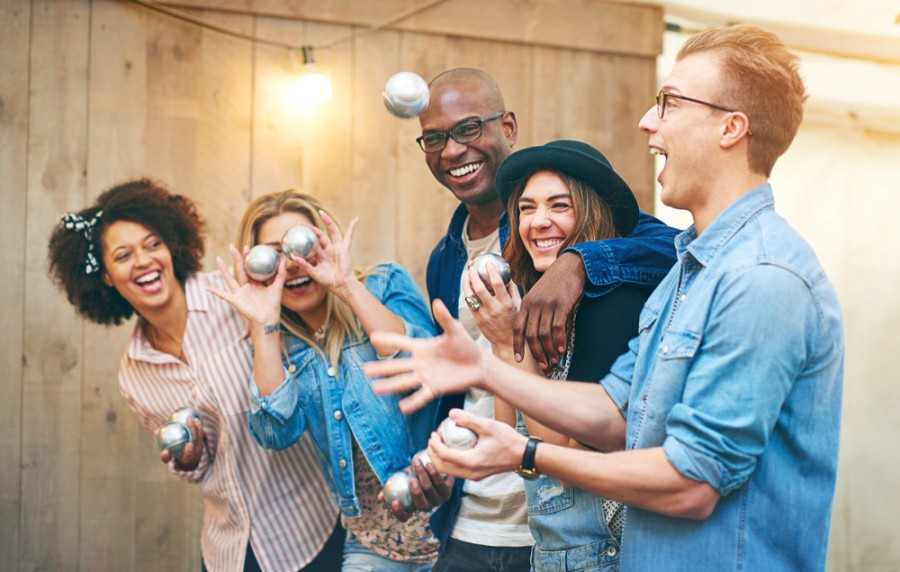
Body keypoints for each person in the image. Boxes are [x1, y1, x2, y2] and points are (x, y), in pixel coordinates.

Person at [366, 25, 844, 572]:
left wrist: (524, 453)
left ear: (731, 128)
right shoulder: (690, 272)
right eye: (526, 208)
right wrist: (485, 365)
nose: (647, 120)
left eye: (668, 103)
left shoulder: (762, 276)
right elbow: (616, 415)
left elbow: (692, 484)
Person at [398, 67, 679, 571]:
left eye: (468, 129)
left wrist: (579, 263)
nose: (453, 149)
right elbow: (493, 399)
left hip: (579, 533)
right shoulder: (446, 257)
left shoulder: (598, 282)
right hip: (496, 509)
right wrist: (504, 347)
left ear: (506, 127)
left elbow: (671, 244)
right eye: (435, 138)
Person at [46, 179, 344, 572]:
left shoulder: (237, 296)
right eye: (123, 255)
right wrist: (188, 458)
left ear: (171, 247)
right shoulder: (134, 375)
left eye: (153, 244)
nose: (143, 261)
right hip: (229, 551)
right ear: (105, 275)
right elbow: (201, 468)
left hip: (308, 532)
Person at [210, 190, 439, 571]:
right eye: (274, 254)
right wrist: (263, 325)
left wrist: (347, 286)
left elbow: (424, 367)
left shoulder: (382, 284)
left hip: (448, 530)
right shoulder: (276, 344)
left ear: (324, 240)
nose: (293, 264)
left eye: (301, 244)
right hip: (372, 547)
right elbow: (274, 433)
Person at [464, 139, 655, 570]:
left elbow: (565, 458)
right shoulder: (543, 306)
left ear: (591, 214)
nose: (538, 221)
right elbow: (512, 441)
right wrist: (502, 339)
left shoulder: (614, 303)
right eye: (527, 208)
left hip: (602, 553)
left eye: (559, 206)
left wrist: (505, 343)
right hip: (555, 552)